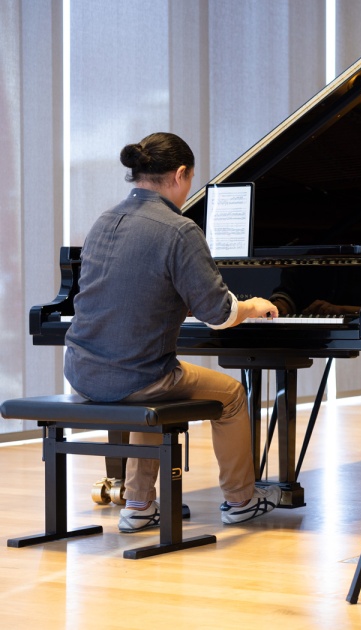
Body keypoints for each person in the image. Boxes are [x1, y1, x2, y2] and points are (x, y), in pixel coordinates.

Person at [65, 132, 283, 533]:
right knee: (231, 395)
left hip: (82, 371)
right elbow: (219, 314)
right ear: (181, 174)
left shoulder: (104, 220)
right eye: (191, 179)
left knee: (145, 382)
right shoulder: (179, 229)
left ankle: (138, 506)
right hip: (139, 377)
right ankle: (241, 501)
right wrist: (252, 306)